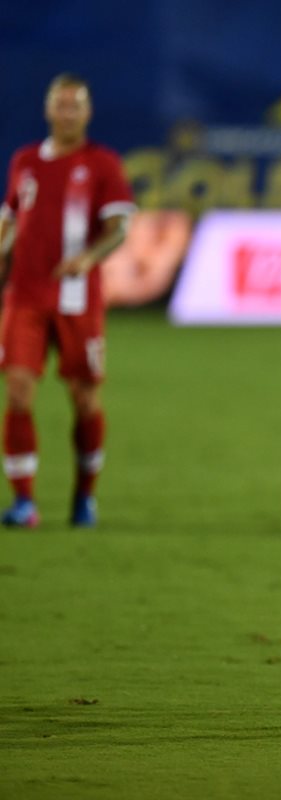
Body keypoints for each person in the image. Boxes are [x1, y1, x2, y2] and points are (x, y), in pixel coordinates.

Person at [0, 74, 135, 527]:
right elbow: (10, 223)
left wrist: (89, 257)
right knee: (18, 391)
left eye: (76, 105)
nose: (68, 112)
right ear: (48, 110)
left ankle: (85, 494)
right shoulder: (23, 161)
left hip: (78, 299)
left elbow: (119, 228)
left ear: (88, 112)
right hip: (24, 296)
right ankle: (24, 503)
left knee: (84, 400)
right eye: (61, 104)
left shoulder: (102, 164)